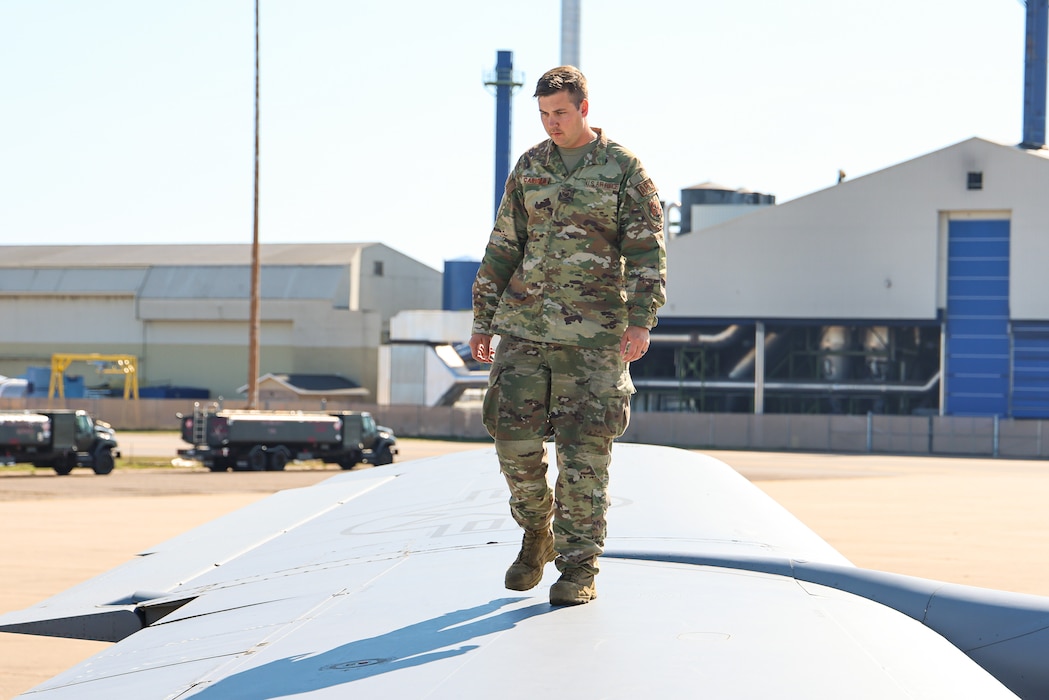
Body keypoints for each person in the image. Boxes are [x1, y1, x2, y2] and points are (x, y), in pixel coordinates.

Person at [469, 66, 667, 606]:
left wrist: (641, 320)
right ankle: (537, 530)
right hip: (525, 329)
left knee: (585, 456)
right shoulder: (531, 166)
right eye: (543, 115)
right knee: (512, 440)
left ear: (583, 107)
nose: (551, 124)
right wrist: (483, 318)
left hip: (595, 339)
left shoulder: (623, 168)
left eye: (560, 112)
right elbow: (503, 245)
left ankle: (578, 568)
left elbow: (647, 248)